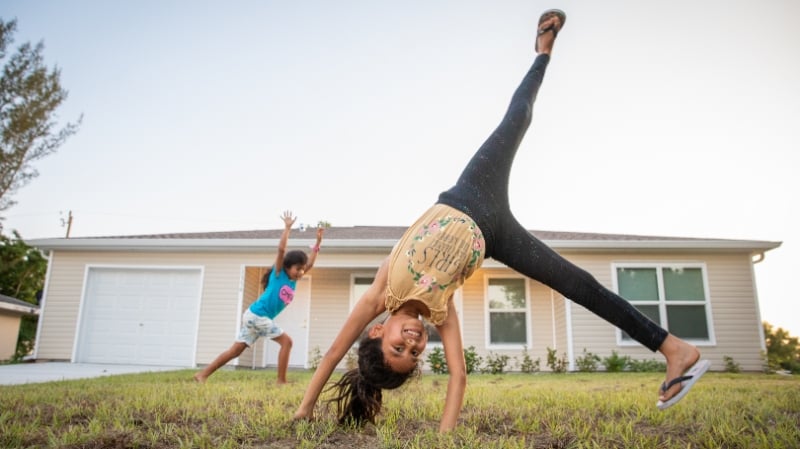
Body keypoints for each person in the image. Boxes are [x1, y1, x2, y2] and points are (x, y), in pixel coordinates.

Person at [294, 9, 708, 432]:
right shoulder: (442, 313)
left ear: (379, 331)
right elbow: (458, 376)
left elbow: (330, 355)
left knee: (518, 118)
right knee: (578, 283)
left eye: (399, 345)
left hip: (472, 191)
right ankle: (674, 348)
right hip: (496, 234)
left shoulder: (380, 295)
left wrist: (304, 409)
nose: (414, 343)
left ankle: (542, 52)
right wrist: (443, 437)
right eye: (414, 355)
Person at [194, 211, 324, 384]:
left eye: (302, 269)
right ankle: (281, 381)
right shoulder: (279, 274)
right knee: (287, 342)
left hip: (254, 316)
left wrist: (318, 243)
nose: (301, 272)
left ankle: (202, 375)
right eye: (297, 268)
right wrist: (287, 228)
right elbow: (281, 250)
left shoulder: (293, 280)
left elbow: (311, 264)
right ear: (287, 266)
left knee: (236, 351)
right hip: (257, 316)